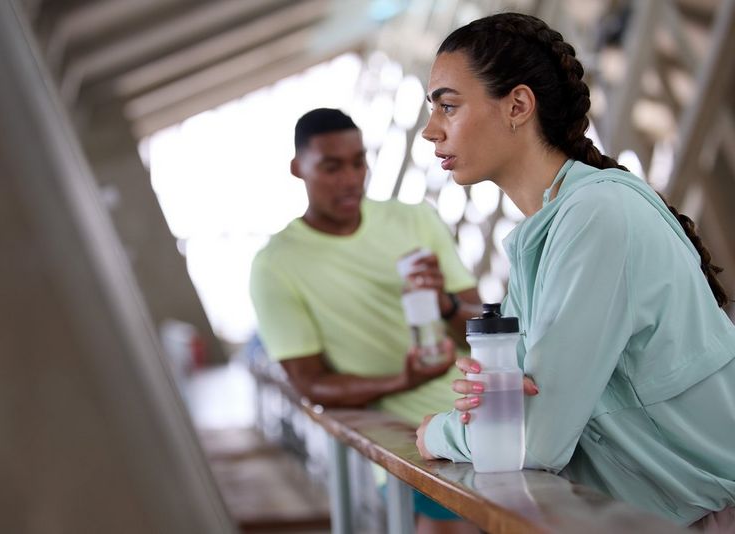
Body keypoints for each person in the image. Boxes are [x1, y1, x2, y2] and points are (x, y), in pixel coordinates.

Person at [414, 12, 735, 531]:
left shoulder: (596, 215)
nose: (432, 131)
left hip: (706, 514)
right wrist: (500, 398)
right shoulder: (543, 234)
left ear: (518, 105)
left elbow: (535, 440)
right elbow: (515, 408)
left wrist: (437, 433)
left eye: (448, 106)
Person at [250, 108, 484, 533]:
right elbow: (308, 382)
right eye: (331, 167)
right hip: (408, 441)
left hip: (486, 416)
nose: (350, 179)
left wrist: (445, 303)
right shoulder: (276, 265)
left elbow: (479, 331)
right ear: (298, 169)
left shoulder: (415, 219)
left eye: (359, 162)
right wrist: (401, 381)